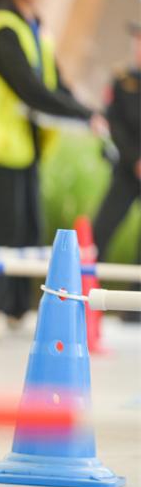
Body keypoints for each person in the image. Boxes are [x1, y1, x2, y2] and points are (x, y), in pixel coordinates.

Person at [0, 0, 105, 339]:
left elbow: (56, 85)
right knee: (1, 231)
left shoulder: (36, 29)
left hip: (25, 149)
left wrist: (88, 111)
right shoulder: (0, 30)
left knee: (28, 229)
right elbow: (30, 88)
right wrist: (81, 114)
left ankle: (17, 311)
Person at [92, 21, 141, 294]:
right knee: (102, 228)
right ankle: (85, 291)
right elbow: (114, 122)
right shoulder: (123, 80)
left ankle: (136, 307)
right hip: (126, 168)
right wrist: (135, 159)